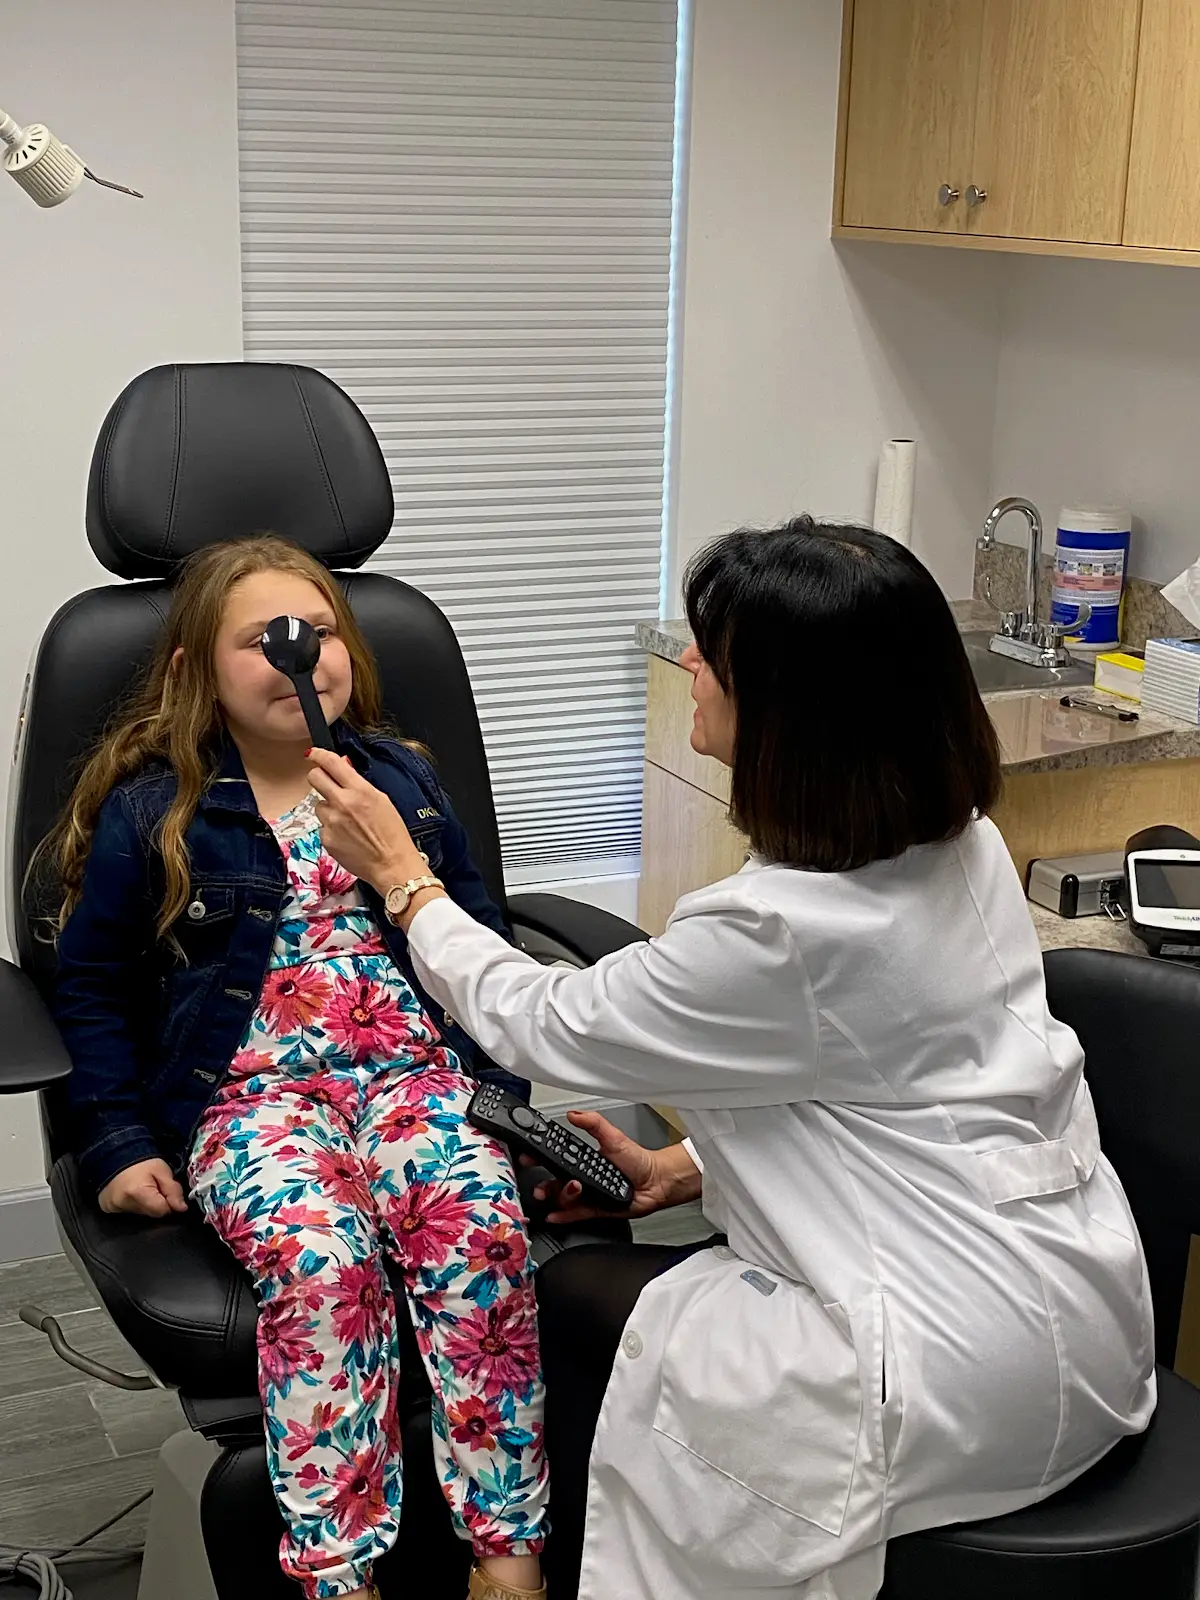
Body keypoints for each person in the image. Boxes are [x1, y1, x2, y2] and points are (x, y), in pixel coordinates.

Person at [304, 516, 1157, 1600]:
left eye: (714, 656)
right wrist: (686, 1167)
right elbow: (894, 1082)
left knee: (567, 1299)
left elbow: (541, 1022)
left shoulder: (775, 933)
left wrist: (402, 877)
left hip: (944, 1369)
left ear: (798, 719)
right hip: (1086, 1313)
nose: (691, 668)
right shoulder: (964, 844)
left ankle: (514, 1575)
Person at [49, 535, 548, 1600]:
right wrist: (116, 1139)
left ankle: (507, 1557)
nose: (298, 656)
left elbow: (478, 939)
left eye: (318, 633)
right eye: (264, 640)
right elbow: (88, 985)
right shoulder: (159, 813)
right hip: (252, 1101)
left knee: (482, 1234)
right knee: (324, 1267)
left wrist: (495, 1100)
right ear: (195, 671)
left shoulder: (404, 784)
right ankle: (339, 1572)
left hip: (414, 1081)